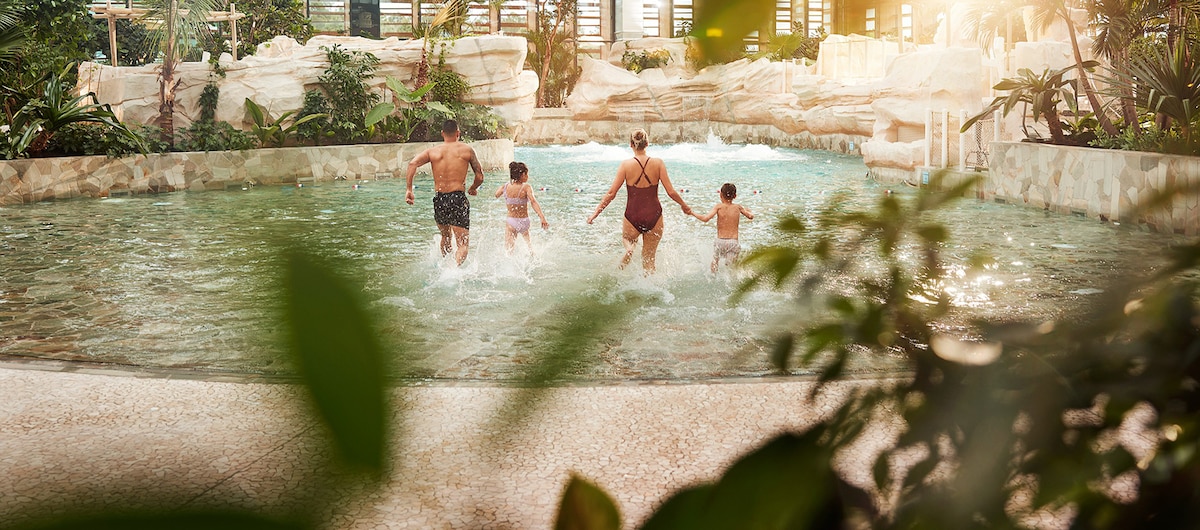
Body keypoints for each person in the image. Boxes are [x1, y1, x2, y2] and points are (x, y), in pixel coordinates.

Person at [587, 128, 692, 274]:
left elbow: (611, 193)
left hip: (632, 216)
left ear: (631, 144)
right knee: (649, 261)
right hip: (654, 216)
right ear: (647, 143)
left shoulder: (625, 165)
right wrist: (684, 206)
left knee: (628, 240)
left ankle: (629, 249)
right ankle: (651, 290)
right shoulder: (658, 163)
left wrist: (594, 214)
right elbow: (671, 192)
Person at [405, 120, 485, 266]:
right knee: (462, 244)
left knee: (446, 237)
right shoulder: (466, 150)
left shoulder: (433, 151)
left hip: (440, 199)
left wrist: (409, 189)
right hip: (458, 198)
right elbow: (479, 176)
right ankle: (453, 270)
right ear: (458, 133)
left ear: (442, 133)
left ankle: (444, 268)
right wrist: (473, 188)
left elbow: (412, 164)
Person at [694, 182, 754, 273]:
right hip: (732, 243)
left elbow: (705, 218)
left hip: (720, 242)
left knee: (715, 263)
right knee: (730, 269)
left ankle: (713, 278)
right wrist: (749, 211)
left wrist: (692, 213)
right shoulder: (738, 207)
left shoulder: (718, 207)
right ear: (735, 196)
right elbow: (750, 216)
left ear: (720, 194)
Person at [494, 161, 549, 254]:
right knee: (530, 248)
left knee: (509, 251)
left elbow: (496, 195)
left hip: (511, 221)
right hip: (524, 221)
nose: (528, 176)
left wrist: (504, 189)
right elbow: (533, 202)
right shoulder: (526, 187)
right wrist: (542, 217)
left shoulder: (506, 186)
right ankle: (533, 258)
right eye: (527, 174)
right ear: (523, 174)